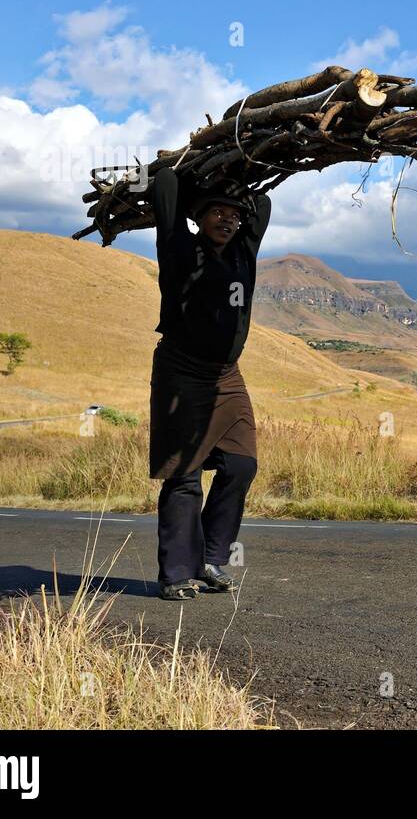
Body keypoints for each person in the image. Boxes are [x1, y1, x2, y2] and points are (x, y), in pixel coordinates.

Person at [148, 167, 271, 600]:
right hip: (181, 371)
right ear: (198, 216)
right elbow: (164, 183)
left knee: (241, 464)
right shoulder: (178, 246)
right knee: (183, 475)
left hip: (226, 376)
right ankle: (177, 572)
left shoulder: (243, 253)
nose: (228, 220)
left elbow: (264, 206)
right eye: (217, 213)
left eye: (233, 214)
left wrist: (240, 165)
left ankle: (212, 558)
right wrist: (195, 180)